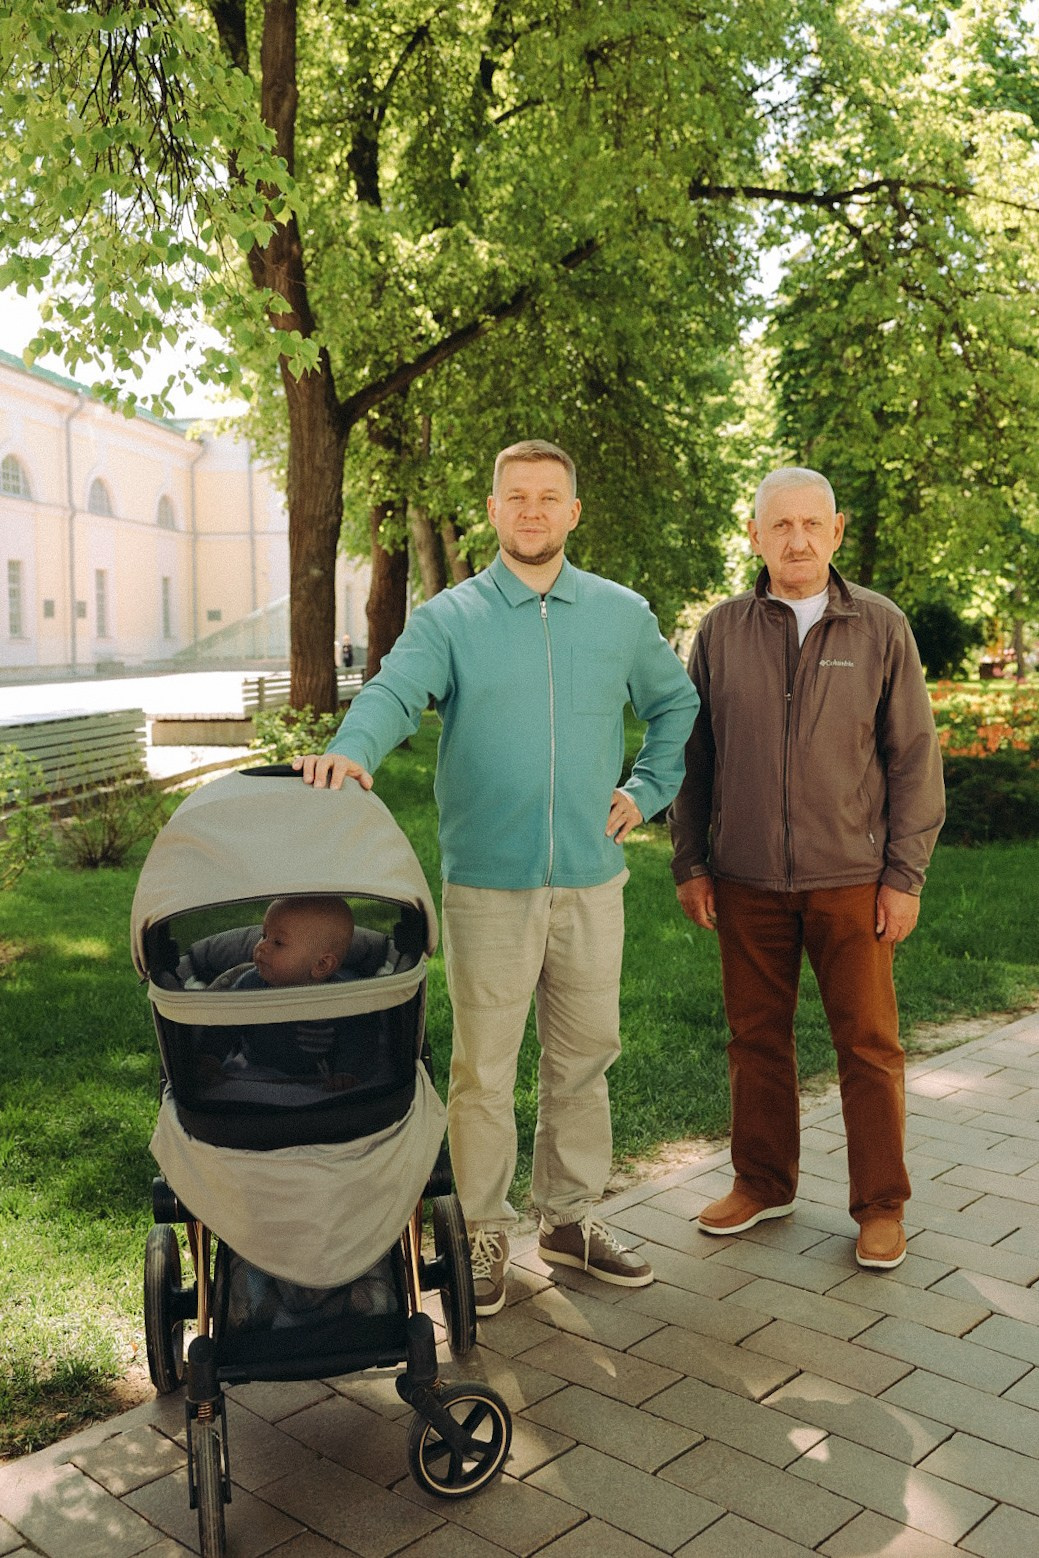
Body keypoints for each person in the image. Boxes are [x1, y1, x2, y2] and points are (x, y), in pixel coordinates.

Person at [295, 438, 699, 1313]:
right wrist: (351, 752)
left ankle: (569, 1218)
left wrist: (649, 788)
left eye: (548, 496)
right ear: (493, 510)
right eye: (515, 495)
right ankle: (482, 1233)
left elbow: (676, 703)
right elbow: (395, 692)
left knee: (585, 1057)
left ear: (572, 512)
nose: (531, 510)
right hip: (487, 885)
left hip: (591, 881)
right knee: (485, 1070)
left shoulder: (621, 614)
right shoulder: (452, 618)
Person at [669, 466, 945, 1271]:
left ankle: (880, 1205)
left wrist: (904, 876)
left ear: (836, 530)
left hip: (850, 880)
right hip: (745, 879)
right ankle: (761, 1182)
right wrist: (691, 862)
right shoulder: (720, 631)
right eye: (778, 525)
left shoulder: (879, 627)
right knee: (755, 1039)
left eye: (810, 525)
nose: (795, 540)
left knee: (867, 1044)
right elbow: (695, 759)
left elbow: (913, 761)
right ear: (754, 534)